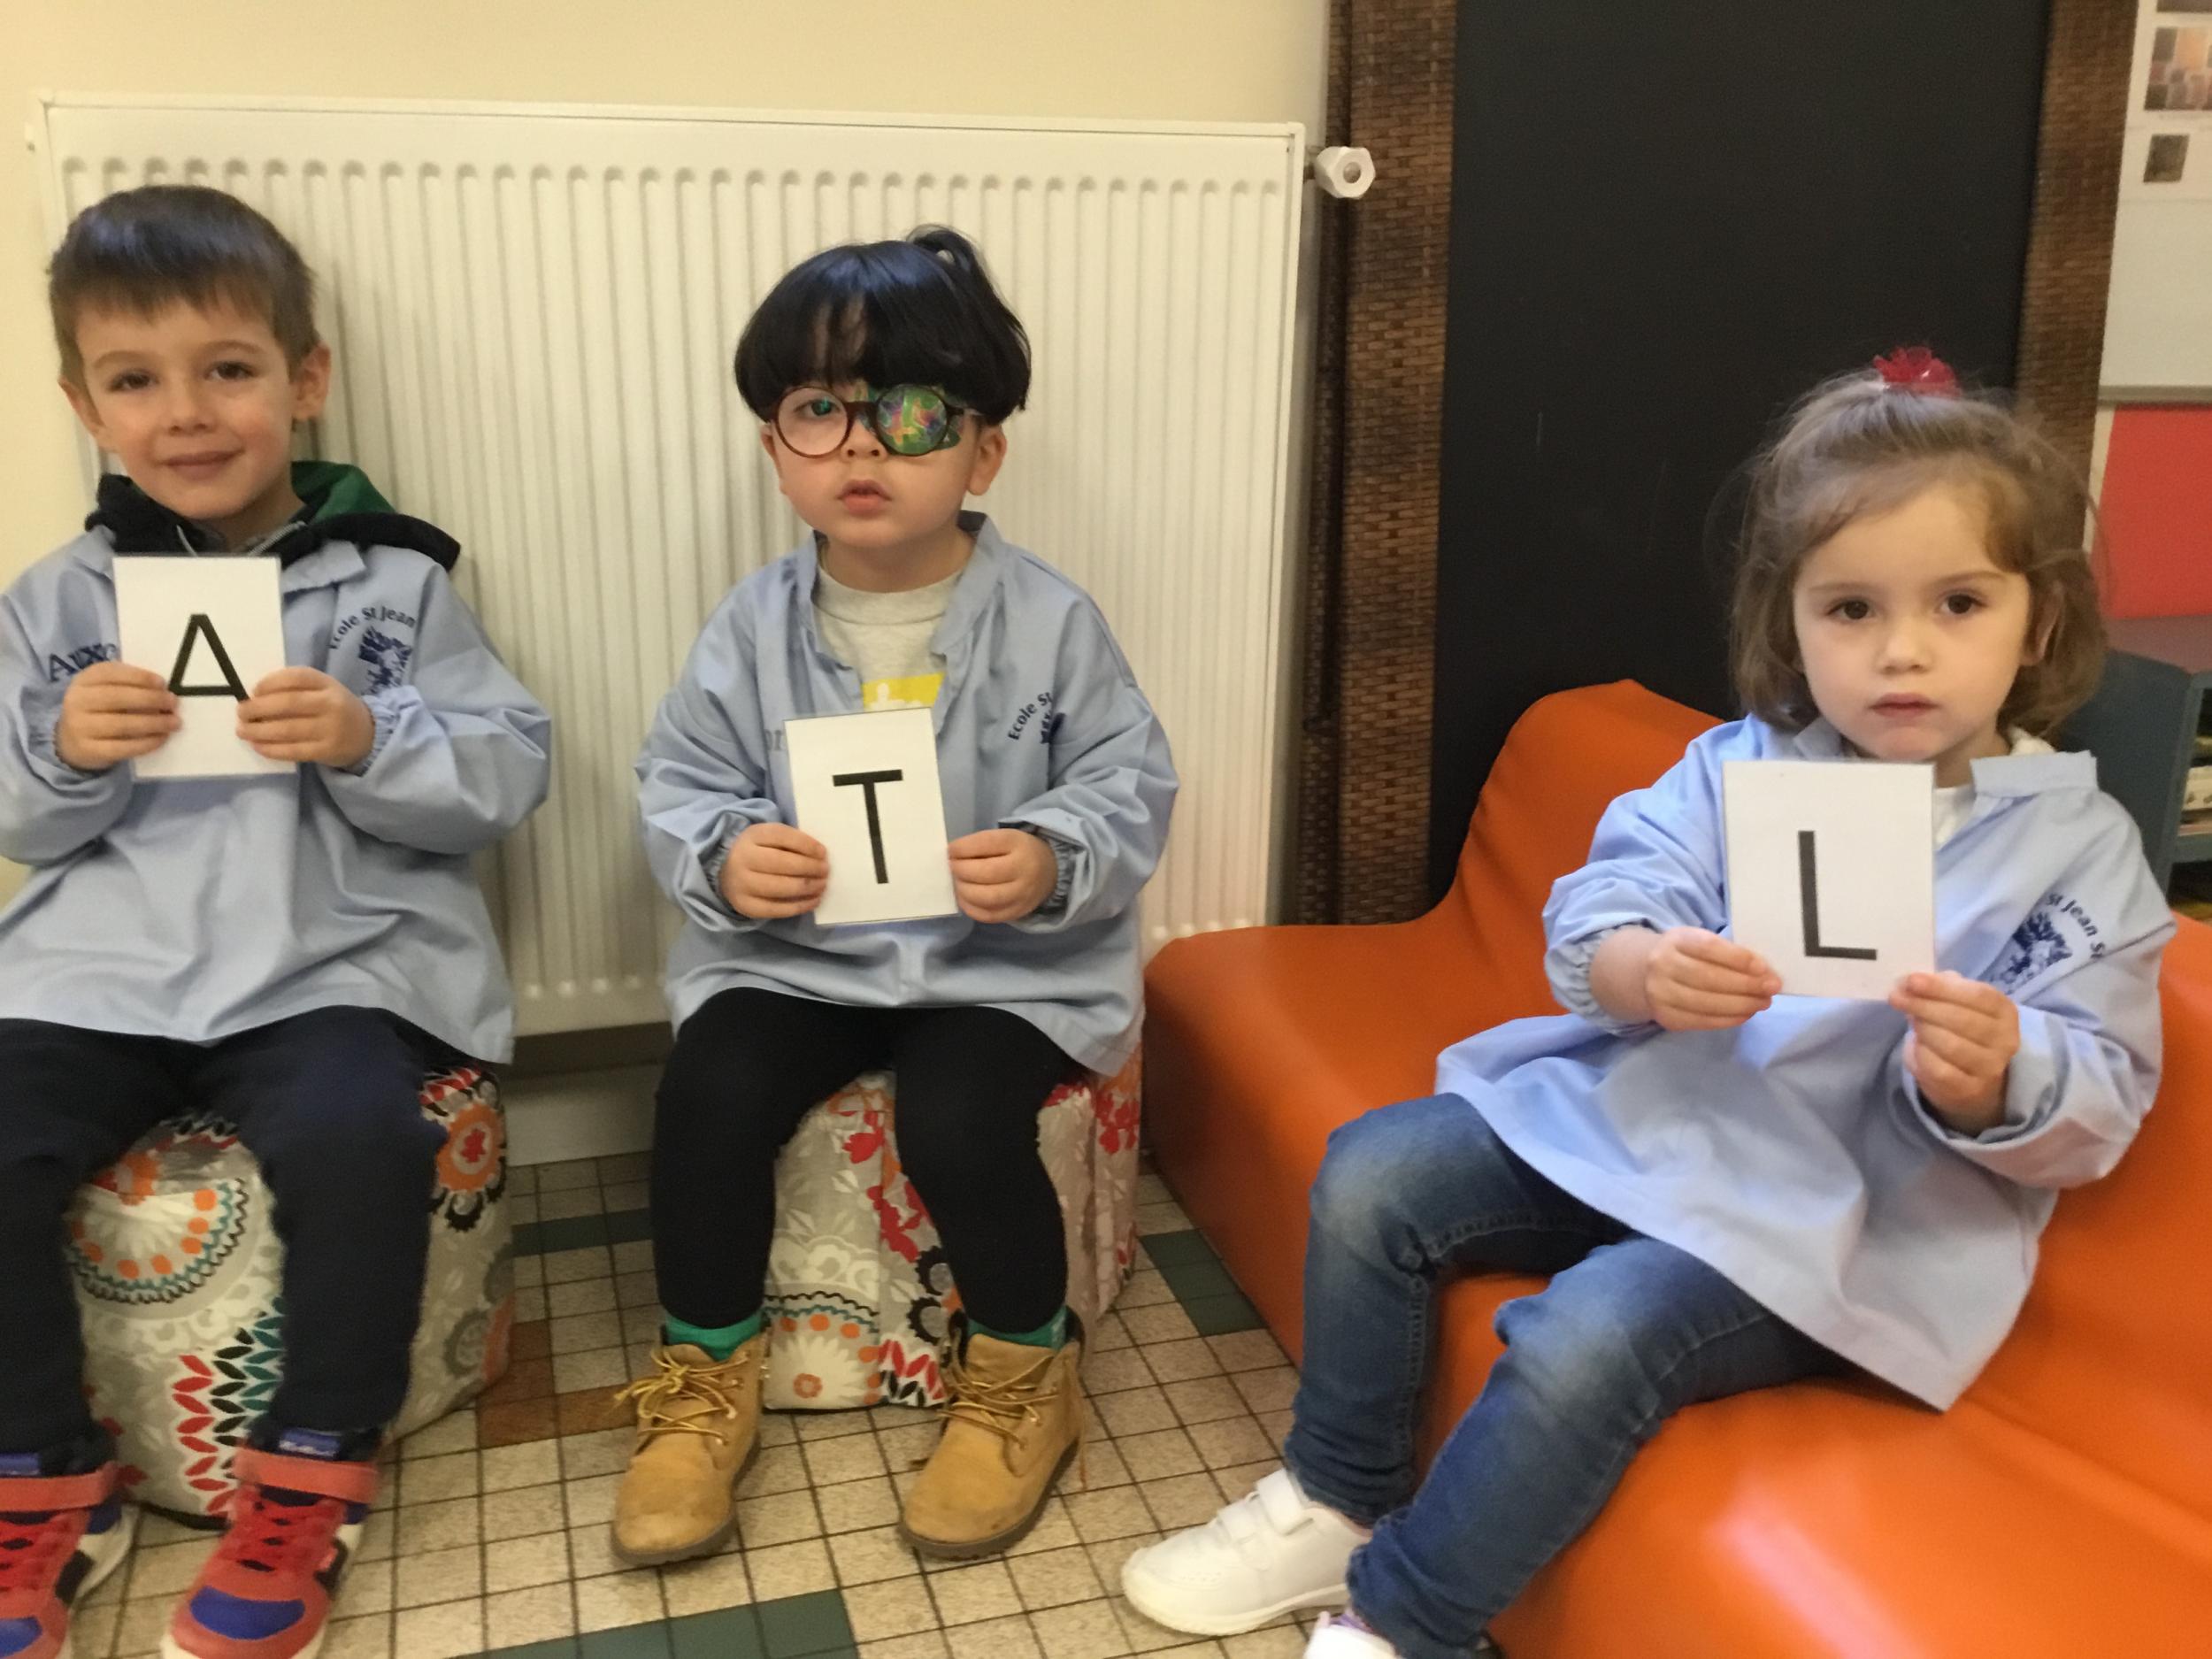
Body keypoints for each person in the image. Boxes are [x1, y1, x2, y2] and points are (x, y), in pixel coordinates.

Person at [1120, 348, 2172, 1658]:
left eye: (1959, 602)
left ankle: (1403, 1624)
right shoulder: (1739, 767)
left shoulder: (2079, 853)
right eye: (1850, 609)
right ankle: (1340, 1493)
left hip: (1829, 1227)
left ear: (2041, 623)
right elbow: (1605, 908)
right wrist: (1645, 966)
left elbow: (2101, 1093)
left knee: (1587, 1337)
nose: (1902, 651)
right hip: (1648, 1124)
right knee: (1379, 1171)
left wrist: (2001, 1075)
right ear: (1791, 623)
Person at [0, 184, 550, 1659]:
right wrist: (64, 747)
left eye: (228, 368)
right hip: (102, 968)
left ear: (304, 382)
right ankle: (42, 1477)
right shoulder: (54, 601)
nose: (186, 413)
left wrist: (372, 737)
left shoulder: (398, 580)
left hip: (330, 963)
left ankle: (314, 1468)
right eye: (135, 379)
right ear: (86, 407)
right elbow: (20, 818)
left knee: (362, 1136)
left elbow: (506, 770)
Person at [617, 226, 1177, 1565]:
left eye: (913, 414)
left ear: (983, 453)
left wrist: (1049, 853)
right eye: (820, 411)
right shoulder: (749, 628)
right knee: (706, 1091)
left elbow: (1128, 778)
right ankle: (705, 1376)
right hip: (802, 959)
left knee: (962, 1113)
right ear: (777, 450)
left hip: (1000, 968)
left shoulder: (1051, 622)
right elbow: (680, 778)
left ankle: (1026, 1370)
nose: (863, 446)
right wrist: (727, 854)